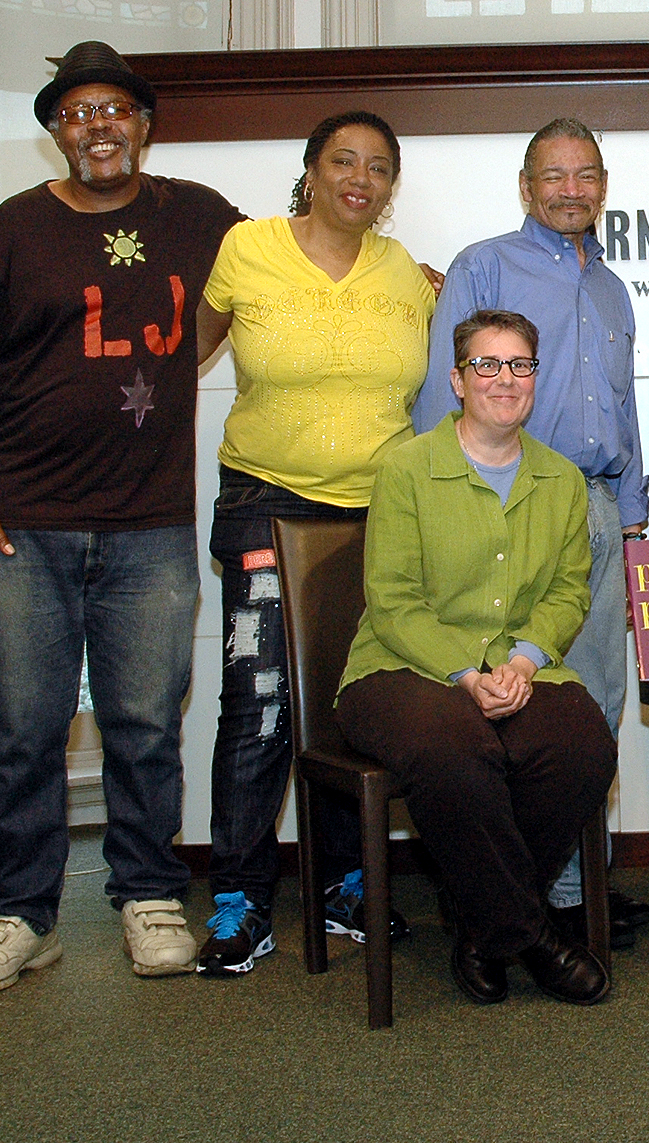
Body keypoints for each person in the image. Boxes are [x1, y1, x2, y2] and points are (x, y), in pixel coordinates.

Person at [0, 41, 243, 990]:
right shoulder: (14, 229)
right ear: (56, 132)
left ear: (144, 124)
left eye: (115, 110)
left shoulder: (197, 215)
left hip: (151, 523)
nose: (98, 125)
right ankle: (23, 910)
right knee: (25, 726)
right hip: (26, 520)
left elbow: (275, 278)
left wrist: (412, 280)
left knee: (145, 720)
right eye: (76, 112)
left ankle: (147, 895)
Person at [190, 111, 436, 977]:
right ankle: (240, 902)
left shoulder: (407, 273)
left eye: (377, 166)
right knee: (259, 706)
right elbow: (181, 351)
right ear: (310, 168)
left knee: (353, 704)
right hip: (263, 500)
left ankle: (343, 886)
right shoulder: (246, 250)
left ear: (390, 186)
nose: (358, 178)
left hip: (376, 517)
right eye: (342, 161)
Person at [410, 118, 649, 946]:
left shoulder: (613, 288)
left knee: (595, 706)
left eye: (586, 174)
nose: (571, 189)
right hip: (504, 500)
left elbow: (623, 412)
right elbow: (445, 401)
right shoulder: (484, 266)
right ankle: (514, 894)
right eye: (554, 175)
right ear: (526, 185)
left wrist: (634, 521)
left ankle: (575, 887)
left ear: (604, 186)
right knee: (503, 702)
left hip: (595, 510)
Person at [336, 310, 617, 1006]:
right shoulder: (406, 468)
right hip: (400, 668)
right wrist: (467, 674)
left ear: (534, 378)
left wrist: (521, 664)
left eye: (519, 365)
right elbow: (393, 600)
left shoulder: (560, 480)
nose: (504, 380)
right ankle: (535, 936)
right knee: (455, 747)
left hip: (518, 665)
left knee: (582, 743)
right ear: (458, 380)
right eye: (486, 365)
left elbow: (566, 592)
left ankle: (482, 926)